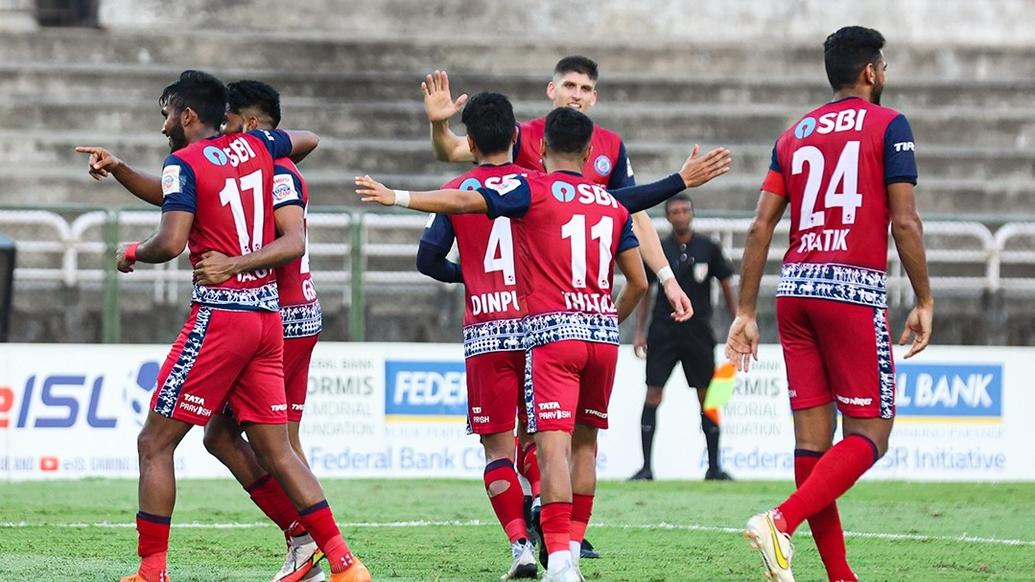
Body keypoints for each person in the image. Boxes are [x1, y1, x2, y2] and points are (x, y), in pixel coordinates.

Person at [357, 107, 696, 582]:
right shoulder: (606, 200)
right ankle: (569, 547)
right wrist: (679, 179)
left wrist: (397, 197)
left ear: (538, 146)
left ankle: (533, 549)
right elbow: (635, 260)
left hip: (519, 331)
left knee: (518, 449)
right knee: (581, 447)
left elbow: (455, 216)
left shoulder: (528, 189)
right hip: (593, 333)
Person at [422, 58, 731, 557]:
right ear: (551, 90)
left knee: (551, 429)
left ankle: (552, 531)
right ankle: (549, 525)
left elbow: (631, 211)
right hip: (524, 304)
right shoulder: (524, 137)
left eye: (586, 87)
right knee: (543, 428)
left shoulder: (610, 147)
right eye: (569, 85)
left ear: (595, 97)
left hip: (564, 308)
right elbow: (457, 154)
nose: (577, 94)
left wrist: (668, 277)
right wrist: (440, 123)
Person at [93, 70, 370, 582]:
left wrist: (132, 251)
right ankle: (344, 563)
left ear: (188, 115)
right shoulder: (258, 149)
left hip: (222, 314)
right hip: (268, 319)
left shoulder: (183, 162)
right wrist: (123, 170)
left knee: (154, 444)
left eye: (167, 115)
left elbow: (172, 241)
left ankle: (150, 572)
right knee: (276, 448)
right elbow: (303, 140)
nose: (164, 128)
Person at [725, 27, 933, 582]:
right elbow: (905, 220)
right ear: (870, 71)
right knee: (870, 436)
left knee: (811, 445)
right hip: (851, 287)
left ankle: (839, 576)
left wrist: (745, 311)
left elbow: (760, 225)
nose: (884, 74)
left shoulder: (795, 133)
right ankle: (781, 520)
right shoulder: (891, 125)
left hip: (795, 288)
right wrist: (924, 298)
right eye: (882, 65)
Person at [630, 194, 736, 482]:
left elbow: (726, 282)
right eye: (674, 211)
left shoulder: (708, 248)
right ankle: (646, 467)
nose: (680, 215)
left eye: (684, 210)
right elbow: (646, 291)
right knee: (653, 392)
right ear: (668, 217)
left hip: (699, 331)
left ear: (691, 213)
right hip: (663, 332)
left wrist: (737, 320)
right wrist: (640, 332)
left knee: (707, 397)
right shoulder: (658, 250)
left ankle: (714, 467)